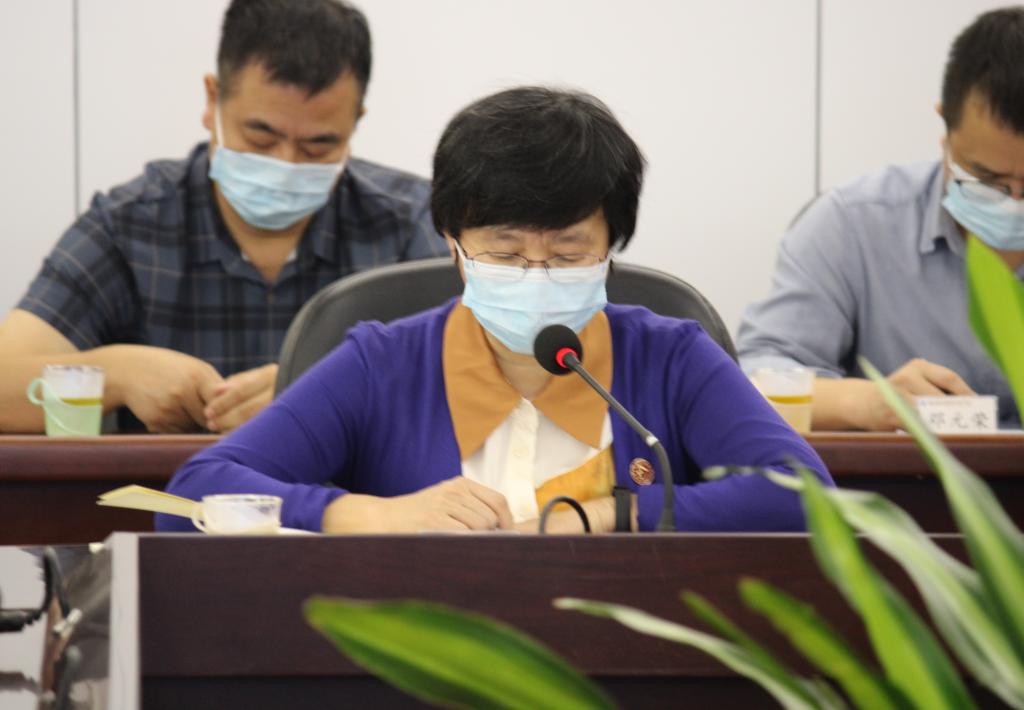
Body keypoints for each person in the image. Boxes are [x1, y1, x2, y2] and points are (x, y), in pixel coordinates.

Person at [157, 86, 832, 534]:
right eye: (505, 252)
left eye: (568, 252)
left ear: (611, 249)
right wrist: (371, 516)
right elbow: (191, 492)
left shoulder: (670, 357)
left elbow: (809, 494)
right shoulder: (382, 364)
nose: (536, 273)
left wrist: (607, 513)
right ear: (453, 245)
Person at [0, 0, 444, 434]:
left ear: (355, 121)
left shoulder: (411, 226)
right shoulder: (129, 227)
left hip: (349, 486)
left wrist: (324, 392)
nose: (286, 163)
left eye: (318, 146)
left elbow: (479, 381)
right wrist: (116, 373)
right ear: (212, 100)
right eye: (260, 137)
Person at [737, 6, 1024, 431]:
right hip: (902, 473)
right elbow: (753, 381)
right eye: (986, 178)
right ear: (945, 126)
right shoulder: (854, 224)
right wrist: (869, 402)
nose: (1013, 201)